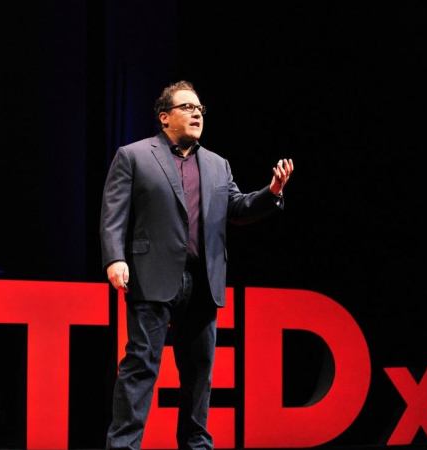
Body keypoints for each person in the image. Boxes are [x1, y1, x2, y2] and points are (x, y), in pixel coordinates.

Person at [101, 80, 293, 450]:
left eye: (200, 109)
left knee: (199, 372)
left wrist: (271, 193)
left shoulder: (218, 165)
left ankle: (196, 445)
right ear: (164, 117)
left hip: (203, 281)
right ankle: (123, 445)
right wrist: (115, 258)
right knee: (141, 366)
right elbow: (113, 214)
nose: (196, 114)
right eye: (187, 107)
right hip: (152, 275)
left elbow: (237, 207)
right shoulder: (134, 156)